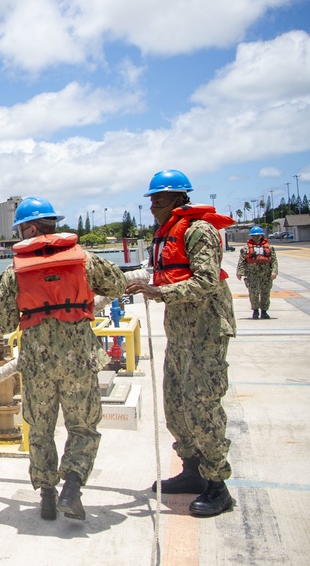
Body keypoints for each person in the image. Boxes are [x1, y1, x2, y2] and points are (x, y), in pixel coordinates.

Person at [0, 197, 126, 522]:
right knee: (83, 427)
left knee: (40, 428)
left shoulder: (14, 272)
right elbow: (118, 284)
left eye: (21, 229)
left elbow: (3, 324)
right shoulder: (84, 259)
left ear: (31, 227)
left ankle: (48, 495)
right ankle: (73, 488)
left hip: (38, 362)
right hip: (79, 357)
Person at [126, 169, 236, 517]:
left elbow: (206, 281)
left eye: (159, 198)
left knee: (203, 406)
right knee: (175, 403)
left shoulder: (198, 231)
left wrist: (160, 291)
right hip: (181, 333)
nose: (153, 204)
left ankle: (218, 486)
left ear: (178, 198)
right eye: (152, 198)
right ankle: (192, 471)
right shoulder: (163, 233)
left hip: (206, 333)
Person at [236, 225, 278, 319]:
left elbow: (274, 261)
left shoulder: (269, 248)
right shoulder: (246, 249)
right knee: (253, 293)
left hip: (266, 275)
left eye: (258, 235)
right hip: (252, 275)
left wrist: (274, 271)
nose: (256, 237)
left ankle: (264, 311)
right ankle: (255, 311)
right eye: (254, 236)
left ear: (261, 235)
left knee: (265, 293)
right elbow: (241, 261)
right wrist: (239, 272)